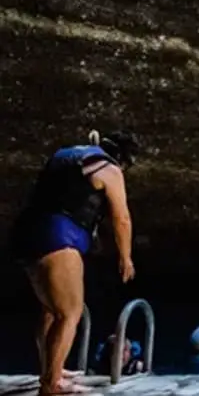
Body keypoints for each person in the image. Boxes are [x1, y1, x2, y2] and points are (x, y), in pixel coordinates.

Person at [9, 130, 140, 395]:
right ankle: (52, 383)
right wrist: (125, 257)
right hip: (59, 236)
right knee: (70, 312)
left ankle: (50, 369)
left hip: (26, 233)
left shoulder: (66, 155)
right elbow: (121, 219)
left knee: (50, 308)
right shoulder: (109, 170)